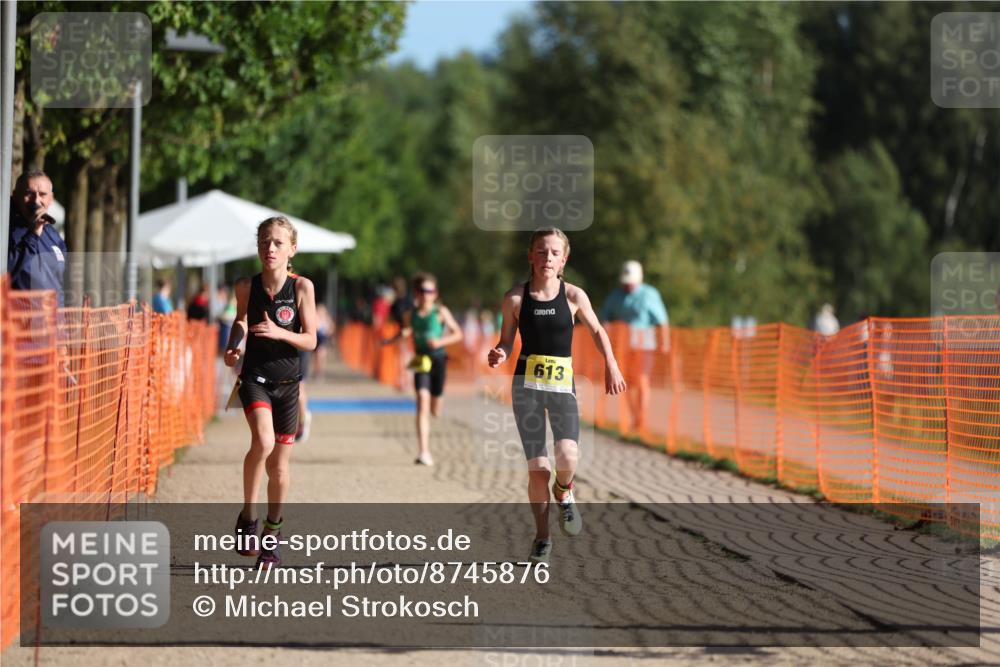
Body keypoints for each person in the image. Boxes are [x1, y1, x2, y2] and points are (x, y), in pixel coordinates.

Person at [488, 228, 626, 563]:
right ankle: (542, 537)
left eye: (553, 253)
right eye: (541, 251)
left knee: (568, 456)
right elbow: (507, 340)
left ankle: (564, 492)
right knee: (538, 469)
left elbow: (597, 330)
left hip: (563, 388)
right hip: (527, 389)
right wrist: (501, 353)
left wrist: (612, 365)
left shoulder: (574, 297)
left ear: (563, 259)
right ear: (530, 256)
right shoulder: (515, 299)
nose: (547, 258)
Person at [224, 216, 317, 568]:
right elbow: (241, 321)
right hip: (255, 379)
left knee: (279, 466)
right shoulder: (246, 286)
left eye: (278, 242)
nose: (270, 248)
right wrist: (235, 344)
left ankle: (272, 534)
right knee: (261, 442)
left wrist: (281, 333)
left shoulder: (303, 288)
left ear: (292, 248)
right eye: (264, 241)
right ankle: (248, 516)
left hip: (289, 386)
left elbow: (310, 339)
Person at [383, 272, 463, 466]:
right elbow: (408, 329)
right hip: (421, 360)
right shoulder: (410, 314)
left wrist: (440, 341)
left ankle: (435, 407)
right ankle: (424, 452)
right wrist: (395, 338)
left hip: (438, 360)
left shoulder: (440, 312)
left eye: (431, 291)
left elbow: (457, 333)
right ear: (416, 293)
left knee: (435, 408)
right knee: (422, 402)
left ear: (435, 294)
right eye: (423, 291)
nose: (427, 294)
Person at [598, 260, 669, 436]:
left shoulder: (650, 295)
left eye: (631, 282)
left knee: (642, 381)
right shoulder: (616, 296)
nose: (628, 285)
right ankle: (635, 417)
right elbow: (603, 317)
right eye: (626, 281)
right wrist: (605, 330)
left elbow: (662, 321)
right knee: (627, 383)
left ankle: (641, 418)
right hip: (623, 347)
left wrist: (665, 342)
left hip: (645, 346)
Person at [7, 169, 67, 306]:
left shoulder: (53, 235)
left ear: (51, 198)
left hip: (53, 324)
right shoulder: (6, 230)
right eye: (29, 194)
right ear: (15, 197)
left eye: (42, 195)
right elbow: (7, 273)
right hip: (20, 324)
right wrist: (33, 234)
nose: (36, 201)